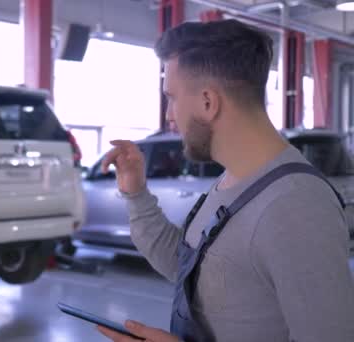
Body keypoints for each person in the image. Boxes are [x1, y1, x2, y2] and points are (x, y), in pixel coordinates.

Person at [98, 19, 354, 342]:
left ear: (208, 102)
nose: (168, 116)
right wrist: (136, 194)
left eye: (172, 98)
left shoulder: (295, 206)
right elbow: (188, 267)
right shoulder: (234, 179)